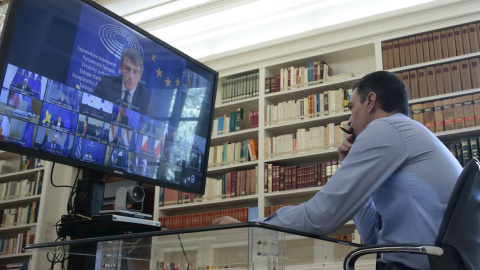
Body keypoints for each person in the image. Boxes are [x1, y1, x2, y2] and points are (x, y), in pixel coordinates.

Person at [212, 71, 462, 270]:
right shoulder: (406, 134)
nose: (349, 121)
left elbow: (321, 217)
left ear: (371, 101)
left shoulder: (386, 128)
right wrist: (349, 164)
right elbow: (372, 240)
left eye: (352, 108)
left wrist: (249, 226)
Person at [93, 48, 151, 114]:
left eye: (135, 72)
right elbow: (90, 107)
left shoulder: (146, 99)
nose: (131, 77)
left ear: (140, 75)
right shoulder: (106, 83)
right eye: (127, 69)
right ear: (121, 68)